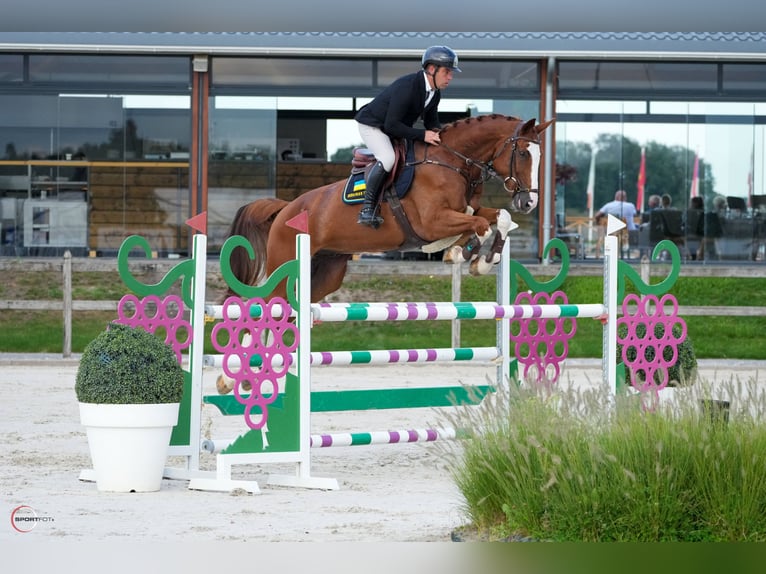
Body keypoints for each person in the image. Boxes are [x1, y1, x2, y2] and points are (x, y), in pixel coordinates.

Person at [354, 45, 461, 228]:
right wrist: (422, 135)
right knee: (388, 158)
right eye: (447, 72)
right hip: (373, 126)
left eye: (451, 73)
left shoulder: (434, 93)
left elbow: (431, 121)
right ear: (431, 69)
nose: (450, 77)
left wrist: (443, 136)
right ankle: (367, 208)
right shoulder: (407, 87)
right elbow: (392, 125)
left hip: (392, 128)